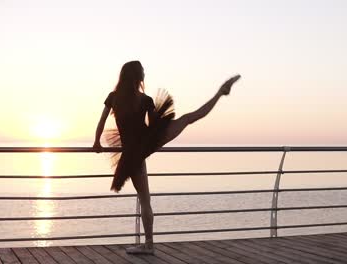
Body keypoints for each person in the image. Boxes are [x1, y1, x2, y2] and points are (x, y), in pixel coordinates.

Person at [93, 61, 240, 254]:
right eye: (143, 71)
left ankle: (149, 245)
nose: (145, 74)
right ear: (137, 76)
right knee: (188, 118)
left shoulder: (113, 97)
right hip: (148, 142)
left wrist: (96, 143)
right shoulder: (144, 99)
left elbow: (102, 120)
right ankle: (220, 92)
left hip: (133, 151)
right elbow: (154, 125)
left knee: (145, 199)